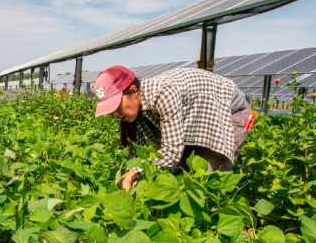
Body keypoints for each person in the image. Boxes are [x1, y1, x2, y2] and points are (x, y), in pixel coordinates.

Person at [93, 65, 253, 191]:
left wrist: (134, 173)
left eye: (116, 106)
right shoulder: (136, 109)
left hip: (228, 111)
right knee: (181, 173)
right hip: (197, 118)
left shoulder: (165, 92)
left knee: (209, 182)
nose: (114, 114)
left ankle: (211, 225)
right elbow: (138, 155)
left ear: (134, 91)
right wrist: (133, 179)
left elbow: (171, 153)